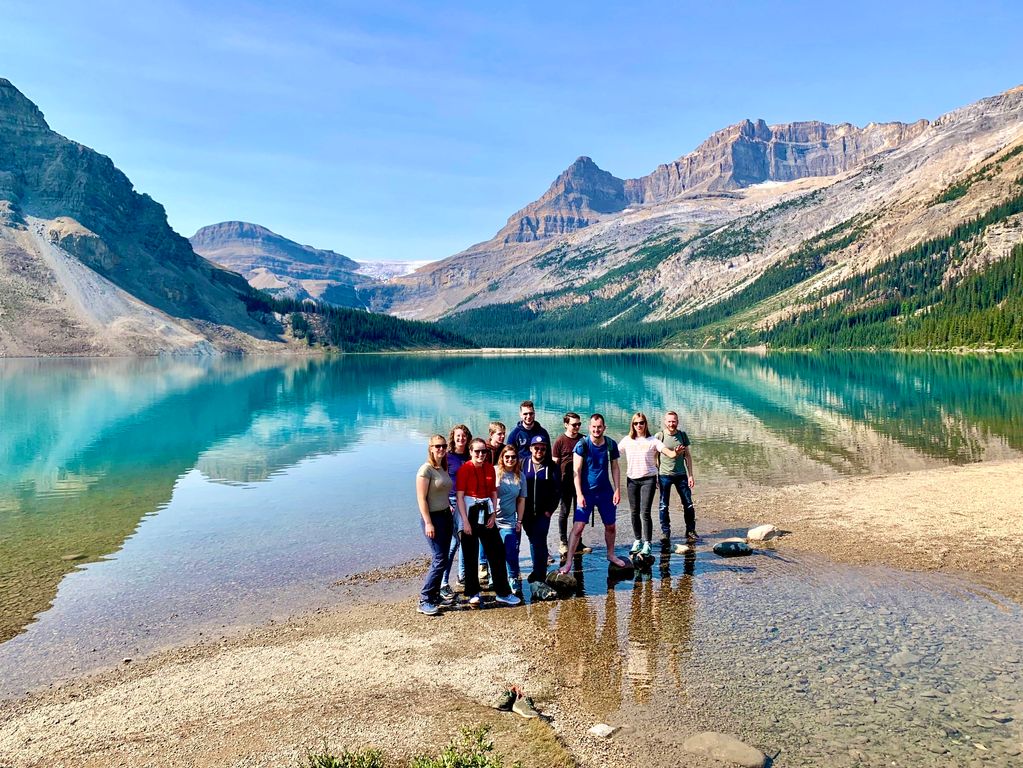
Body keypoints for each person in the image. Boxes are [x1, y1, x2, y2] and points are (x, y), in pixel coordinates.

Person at [456, 438, 522, 608]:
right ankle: (473, 593)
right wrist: (464, 521)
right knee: (470, 553)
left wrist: (492, 514)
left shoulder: (489, 468)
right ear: (470, 452)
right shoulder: (465, 469)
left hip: (486, 511)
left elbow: (493, 492)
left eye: (483, 451)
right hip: (469, 512)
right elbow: (460, 496)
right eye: (477, 451)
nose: (480, 454)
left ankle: (502, 593)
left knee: (497, 551)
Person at [559, 413, 629, 572]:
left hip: (605, 492)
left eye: (599, 427)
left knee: (610, 526)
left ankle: (611, 554)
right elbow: (576, 470)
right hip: (586, 493)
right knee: (578, 527)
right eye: (594, 427)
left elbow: (615, 468)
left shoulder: (610, 444)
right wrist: (579, 494)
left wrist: (617, 489)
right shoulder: (582, 445)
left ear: (604, 428)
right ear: (589, 428)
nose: (597, 430)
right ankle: (569, 561)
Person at [619, 411, 679, 556]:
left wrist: (675, 453)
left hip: (648, 480)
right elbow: (614, 453)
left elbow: (667, 452)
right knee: (634, 512)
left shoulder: (653, 441)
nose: (639, 425)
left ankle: (648, 543)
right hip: (632, 480)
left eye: (641, 423)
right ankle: (637, 540)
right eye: (636, 423)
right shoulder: (627, 440)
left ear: (646, 424)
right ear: (632, 425)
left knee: (645, 512)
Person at [415, 435, 454, 616]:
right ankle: (425, 599)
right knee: (439, 558)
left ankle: (435, 594)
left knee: (444, 557)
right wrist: (428, 523)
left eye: (444, 446)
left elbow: (442, 491)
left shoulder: (442, 467)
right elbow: (421, 499)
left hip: (446, 516)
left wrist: (449, 505)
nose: (441, 449)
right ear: (430, 448)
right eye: (437, 446)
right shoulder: (426, 470)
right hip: (433, 519)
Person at [521, 436, 561, 601]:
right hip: (526, 512)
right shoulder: (523, 464)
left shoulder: (551, 466)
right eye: (536, 448)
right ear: (531, 448)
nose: (539, 451)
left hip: (543, 513)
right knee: (532, 540)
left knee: (540, 539)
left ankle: (539, 576)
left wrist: (550, 510)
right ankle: (536, 571)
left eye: (543, 448)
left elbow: (557, 490)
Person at [440, 424, 471, 602]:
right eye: (458, 436)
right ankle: (443, 583)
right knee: (452, 543)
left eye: (464, 436)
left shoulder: (470, 456)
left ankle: (462, 575)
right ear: (453, 437)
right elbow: (441, 481)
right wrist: (445, 501)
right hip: (451, 502)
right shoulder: (447, 456)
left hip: (466, 501)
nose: (461, 438)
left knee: (464, 538)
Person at [655, 410, 697, 543]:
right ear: (665, 422)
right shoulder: (659, 436)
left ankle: (690, 531)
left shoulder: (682, 436)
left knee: (688, 504)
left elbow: (688, 456)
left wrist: (690, 475)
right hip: (664, 475)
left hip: (681, 475)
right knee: (663, 505)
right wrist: (656, 475)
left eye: (674, 421)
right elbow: (655, 457)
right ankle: (665, 532)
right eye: (669, 421)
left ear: (677, 422)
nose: (671, 424)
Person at [494, 445, 526, 594]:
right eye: (507, 457)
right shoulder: (495, 472)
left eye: (513, 457)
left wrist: (519, 521)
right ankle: (494, 578)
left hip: (509, 520)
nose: (510, 459)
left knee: (510, 550)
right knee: (493, 551)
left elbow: (521, 500)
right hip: (492, 519)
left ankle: (513, 578)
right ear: (502, 458)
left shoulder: (520, 476)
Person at [552, 412, 583, 556]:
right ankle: (563, 541)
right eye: (573, 424)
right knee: (564, 512)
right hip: (564, 482)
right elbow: (555, 464)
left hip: (581, 482)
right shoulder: (560, 441)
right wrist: (555, 484)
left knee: (580, 512)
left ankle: (578, 541)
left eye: (578, 424)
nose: (576, 427)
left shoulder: (583, 439)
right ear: (566, 424)